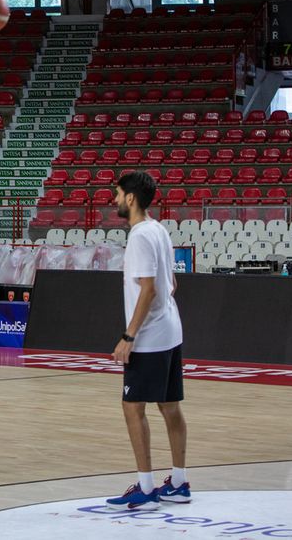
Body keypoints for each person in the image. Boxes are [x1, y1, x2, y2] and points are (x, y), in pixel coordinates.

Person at [106, 171, 190, 511]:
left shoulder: (140, 236)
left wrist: (129, 336)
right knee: (170, 406)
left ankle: (145, 488)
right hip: (171, 329)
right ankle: (179, 483)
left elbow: (149, 290)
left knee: (132, 407)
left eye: (117, 194)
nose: (114, 200)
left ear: (130, 198)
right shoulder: (159, 229)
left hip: (149, 338)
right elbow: (171, 284)